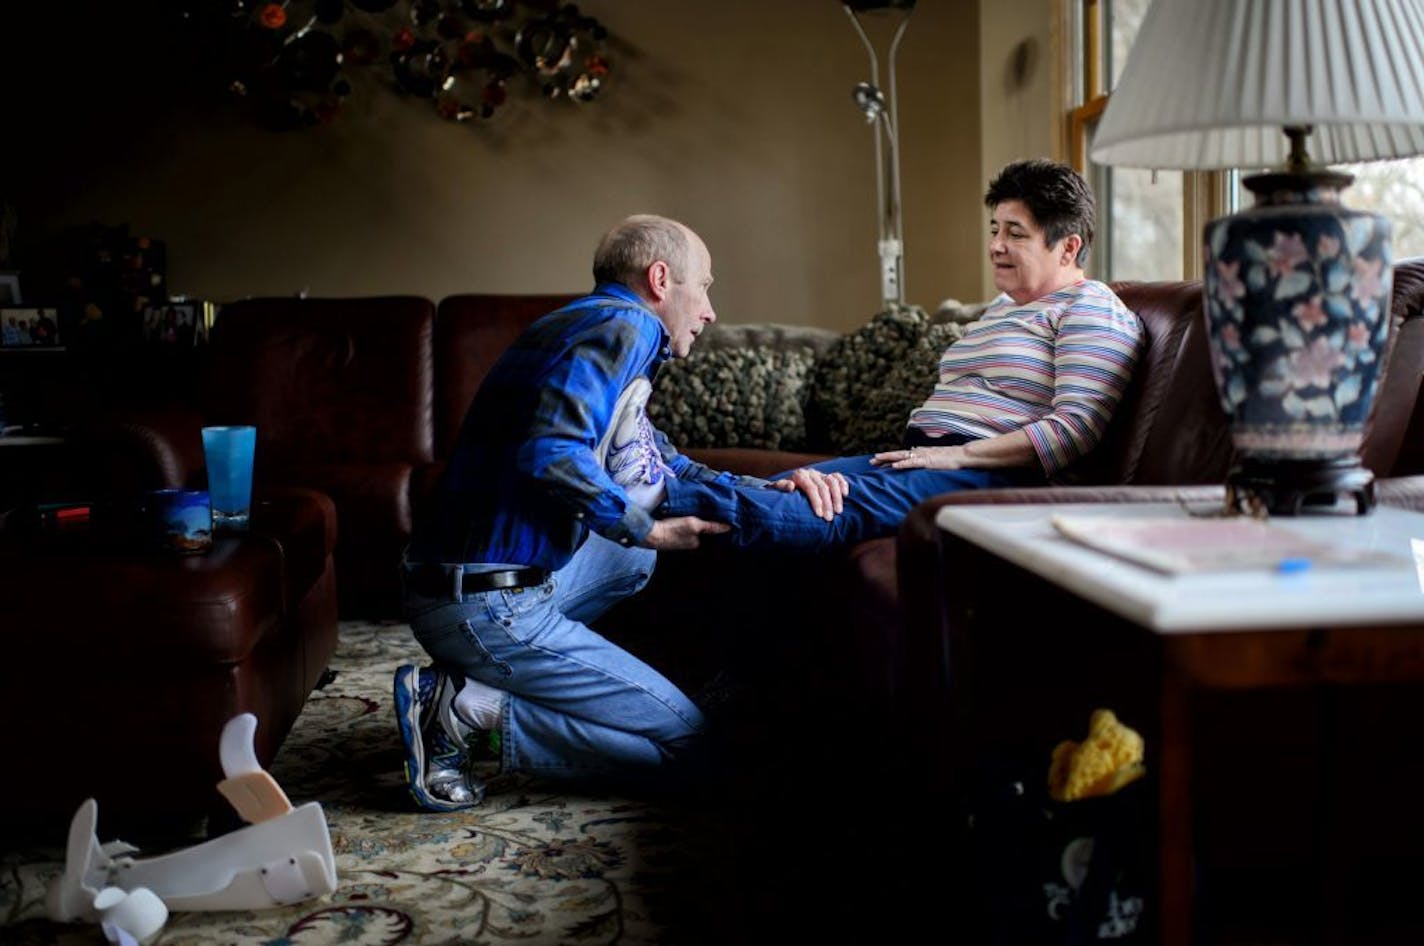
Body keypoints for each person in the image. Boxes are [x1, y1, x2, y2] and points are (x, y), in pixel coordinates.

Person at [393, 214, 846, 811]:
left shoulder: (580, 322)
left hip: (453, 585)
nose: (709, 310)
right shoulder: (628, 326)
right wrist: (646, 527)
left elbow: (667, 465)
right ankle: (466, 712)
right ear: (660, 278)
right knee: (689, 743)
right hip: (485, 604)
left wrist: (774, 491)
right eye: (704, 286)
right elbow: (551, 452)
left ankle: (512, 673)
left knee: (632, 561)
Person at [652, 158, 1145, 550]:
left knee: (800, 508)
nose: (995, 245)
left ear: (1068, 247)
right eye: (994, 229)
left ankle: (639, 495)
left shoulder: (1092, 307)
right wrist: (932, 456)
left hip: (992, 478)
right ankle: (651, 494)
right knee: (780, 487)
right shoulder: (1002, 310)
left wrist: (956, 456)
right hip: (924, 461)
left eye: (1015, 233)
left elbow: (1074, 428)